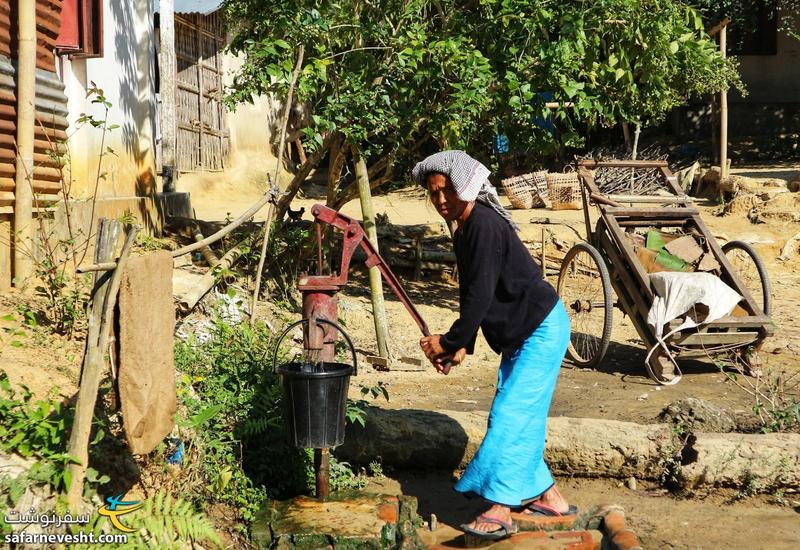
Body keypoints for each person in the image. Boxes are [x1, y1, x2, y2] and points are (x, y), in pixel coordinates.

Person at [413, 150, 575, 541]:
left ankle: (500, 507)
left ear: (466, 186)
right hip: (522, 334)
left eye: (447, 191)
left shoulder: (482, 224)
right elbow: (472, 292)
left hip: (539, 329)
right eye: (433, 194)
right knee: (519, 415)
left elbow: (482, 296)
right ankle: (550, 498)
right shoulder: (465, 228)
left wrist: (448, 341)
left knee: (511, 416)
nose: (440, 201)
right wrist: (461, 344)